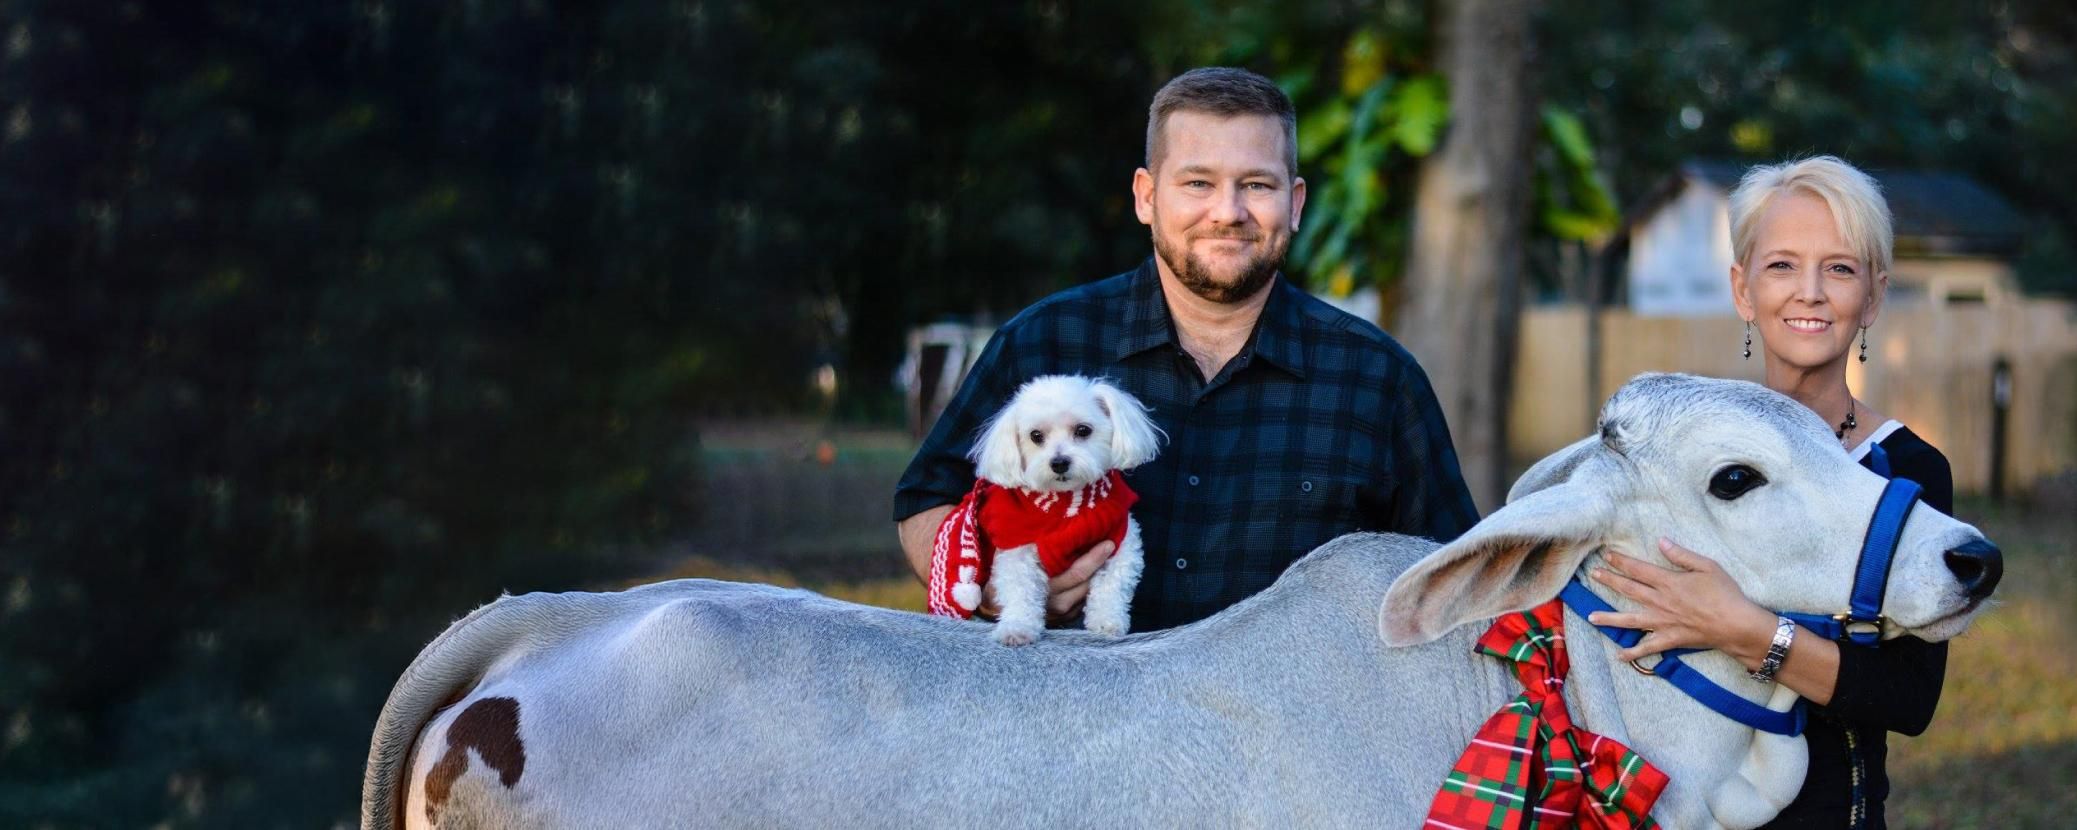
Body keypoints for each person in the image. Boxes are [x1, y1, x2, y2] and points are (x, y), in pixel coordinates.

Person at [892, 67, 1479, 632]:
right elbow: (926, 499)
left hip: (1283, 731)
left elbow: (1458, 580)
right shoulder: (1040, 342)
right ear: (1147, 196)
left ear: (1295, 204)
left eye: (1257, 184)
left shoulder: (1377, 380)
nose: (1228, 212)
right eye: (1198, 182)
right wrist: (999, 594)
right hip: (1072, 720)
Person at [1586, 156, 1952, 829]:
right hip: (1665, 804)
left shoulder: (1906, 470)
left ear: (1872, 296)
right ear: (1742, 289)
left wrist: (1747, 631)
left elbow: (1907, 699)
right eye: (1781, 265)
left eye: (1838, 268)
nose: (1808, 292)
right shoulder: (1682, 453)